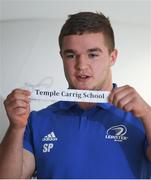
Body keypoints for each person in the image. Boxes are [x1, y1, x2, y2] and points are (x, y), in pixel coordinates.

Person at [0, 11, 151, 179]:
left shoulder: (141, 118)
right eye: (71, 55)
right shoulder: (37, 121)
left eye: (93, 55)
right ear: (62, 57)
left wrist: (148, 115)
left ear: (112, 57)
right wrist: (16, 127)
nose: (81, 65)